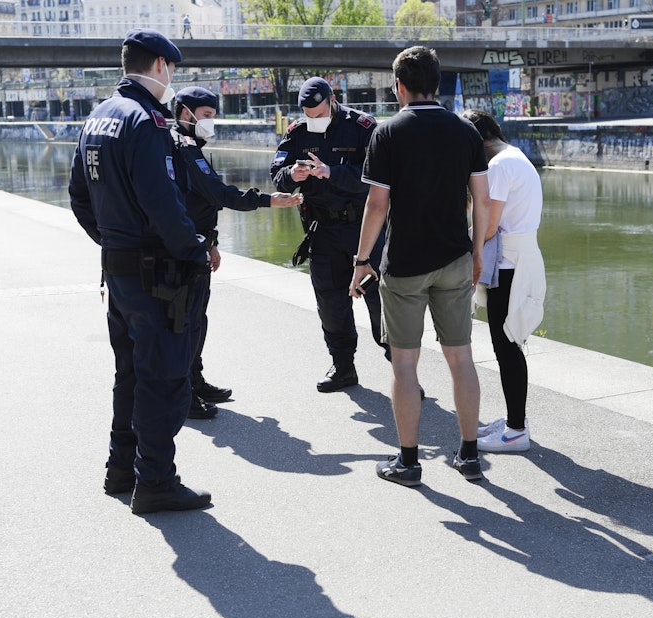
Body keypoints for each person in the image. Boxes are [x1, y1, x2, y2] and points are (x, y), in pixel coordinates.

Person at [68, 28, 211, 515]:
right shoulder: (146, 122)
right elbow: (163, 203)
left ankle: (119, 469)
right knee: (164, 378)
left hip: (120, 271)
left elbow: (79, 198)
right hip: (158, 276)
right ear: (160, 66)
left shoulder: (97, 117)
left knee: (129, 371)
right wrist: (194, 250)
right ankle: (155, 481)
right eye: (172, 69)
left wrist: (113, 242)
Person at [350, 46, 490, 486]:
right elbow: (482, 200)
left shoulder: (388, 133)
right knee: (461, 359)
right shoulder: (466, 131)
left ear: (400, 87)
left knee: (405, 366)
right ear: (438, 84)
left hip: (406, 264)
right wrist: (478, 251)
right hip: (455, 259)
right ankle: (469, 456)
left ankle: (408, 463)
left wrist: (361, 261)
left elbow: (376, 206)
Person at [169, 86, 301, 419]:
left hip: (198, 246)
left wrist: (212, 244)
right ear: (187, 113)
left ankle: (194, 381)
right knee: (186, 323)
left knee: (197, 320)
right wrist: (267, 199)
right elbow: (218, 193)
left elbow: (201, 201)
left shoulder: (190, 146)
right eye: (207, 116)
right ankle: (182, 394)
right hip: (184, 252)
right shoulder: (183, 149)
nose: (211, 123)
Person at [270, 76, 388, 393]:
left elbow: (377, 177)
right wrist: (291, 175)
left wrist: (332, 172)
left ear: (332, 100)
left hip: (363, 230)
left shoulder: (362, 127)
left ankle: (401, 369)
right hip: (322, 231)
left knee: (379, 300)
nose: (315, 120)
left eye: (319, 113)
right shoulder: (296, 132)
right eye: (310, 115)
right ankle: (343, 367)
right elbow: (276, 174)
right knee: (331, 302)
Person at [461, 109, 545, 455]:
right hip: (520, 261)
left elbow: (489, 226)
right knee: (510, 345)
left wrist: (459, 244)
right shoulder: (517, 157)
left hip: (509, 265)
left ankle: (515, 430)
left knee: (506, 347)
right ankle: (514, 421)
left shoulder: (496, 166)